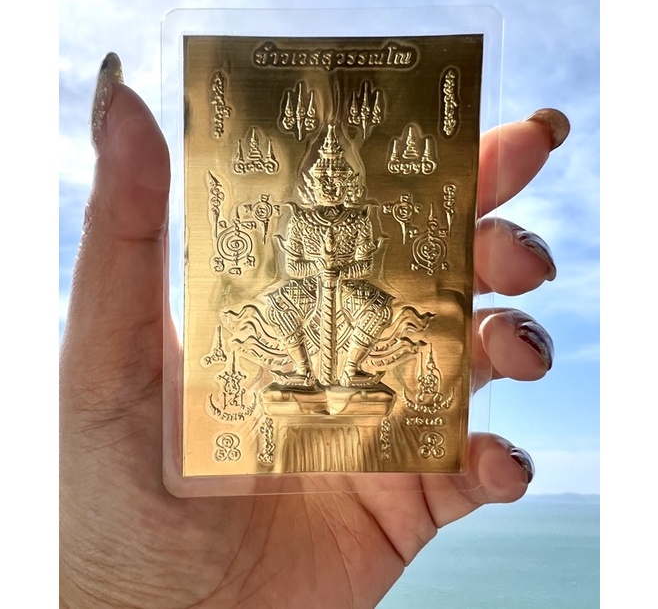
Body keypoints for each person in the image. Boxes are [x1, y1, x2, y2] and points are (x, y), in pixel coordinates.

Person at [60, 52, 568, 608]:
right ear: (309, 178)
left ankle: (349, 370)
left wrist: (344, 269)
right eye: (322, 173)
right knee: (281, 313)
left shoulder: (359, 216)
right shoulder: (299, 217)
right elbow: (289, 257)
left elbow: (369, 255)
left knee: (375, 311)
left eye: (338, 173)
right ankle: (302, 372)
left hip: (350, 286)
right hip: (303, 287)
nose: (330, 179)